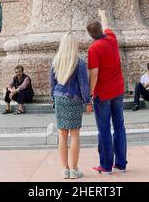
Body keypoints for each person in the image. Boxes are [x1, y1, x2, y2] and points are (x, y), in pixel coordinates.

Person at [87, 9, 127, 174]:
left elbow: (94, 73)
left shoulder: (93, 48)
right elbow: (106, 25)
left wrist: (90, 93)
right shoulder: (112, 38)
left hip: (103, 94)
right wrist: (102, 13)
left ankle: (106, 165)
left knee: (104, 129)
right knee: (119, 127)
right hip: (118, 90)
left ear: (90, 35)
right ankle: (121, 164)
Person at [50, 31, 92, 179]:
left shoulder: (56, 60)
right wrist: (88, 101)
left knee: (62, 134)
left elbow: (52, 83)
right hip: (74, 99)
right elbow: (83, 85)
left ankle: (65, 169)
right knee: (74, 134)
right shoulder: (79, 62)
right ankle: (74, 170)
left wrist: (53, 100)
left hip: (59, 98)